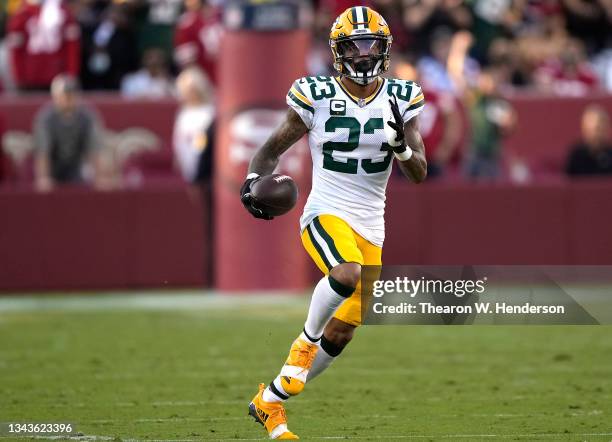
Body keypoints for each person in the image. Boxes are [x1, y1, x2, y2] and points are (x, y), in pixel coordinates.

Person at [240, 7, 427, 439]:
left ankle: (270, 402)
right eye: (353, 48)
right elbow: (270, 149)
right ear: (337, 53)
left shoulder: (403, 96)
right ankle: (302, 347)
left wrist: (401, 147)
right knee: (345, 274)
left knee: (342, 332)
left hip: (371, 225)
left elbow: (418, 173)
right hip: (326, 210)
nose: (363, 56)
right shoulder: (316, 93)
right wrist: (252, 180)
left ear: (385, 49)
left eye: (370, 46)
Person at [33, 74, 105, 191]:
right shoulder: (46, 117)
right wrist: (43, 177)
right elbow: (42, 151)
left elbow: (95, 149)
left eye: (70, 95)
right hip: (53, 167)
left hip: (77, 168)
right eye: (63, 96)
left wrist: (99, 177)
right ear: (54, 96)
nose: (66, 100)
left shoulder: (87, 116)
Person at [7, 0, 80, 91]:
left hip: (58, 77)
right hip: (30, 78)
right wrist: (19, 77)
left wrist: (71, 74)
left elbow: (71, 47)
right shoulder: (21, 14)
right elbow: (16, 51)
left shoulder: (64, 12)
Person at [172, 67, 214, 182]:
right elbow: (178, 139)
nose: (187, 94)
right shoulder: (183, 114)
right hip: (186, 161)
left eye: (191, 90)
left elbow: (204, 140)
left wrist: (197, 156)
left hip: (204, 165)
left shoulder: (210, 112)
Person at [565, 104, 612, 176]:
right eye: (590, 129)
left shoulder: (610, 154)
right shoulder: (576, 155)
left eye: (599, 128)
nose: (595, 134)